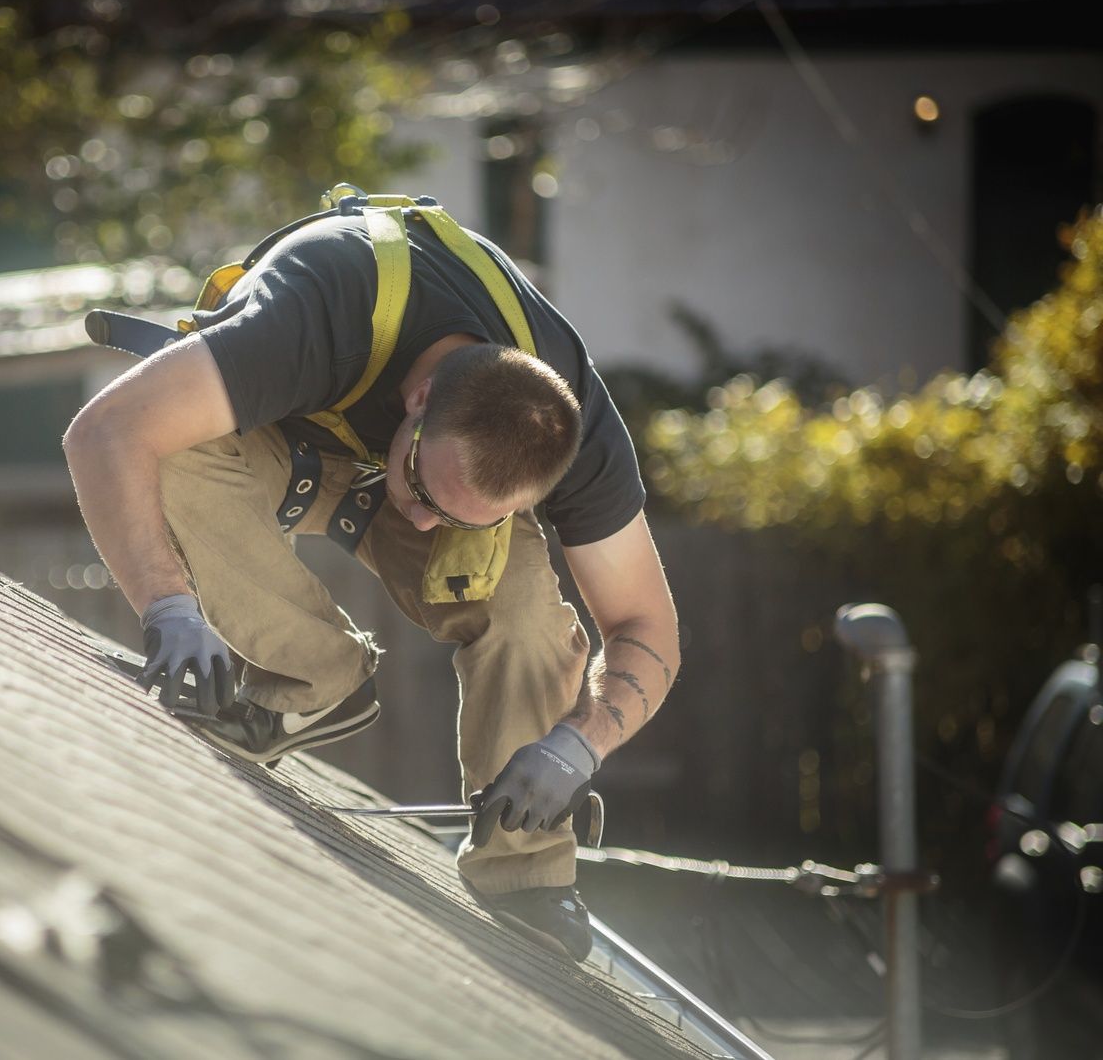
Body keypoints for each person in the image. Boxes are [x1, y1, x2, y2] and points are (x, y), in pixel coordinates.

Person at [63, 199, 679, 962]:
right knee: (168, 454)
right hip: (282, 443)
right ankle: (314, 679)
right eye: (424, 489)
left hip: (410, 455)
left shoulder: (572, 430)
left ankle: (524, 871)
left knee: (525, 608)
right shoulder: (318, 311)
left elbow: (647, 629)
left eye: (461, 516)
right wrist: (169, 607)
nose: (422, 526)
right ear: (418, 401)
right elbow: (104, 430)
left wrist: (578, 747)